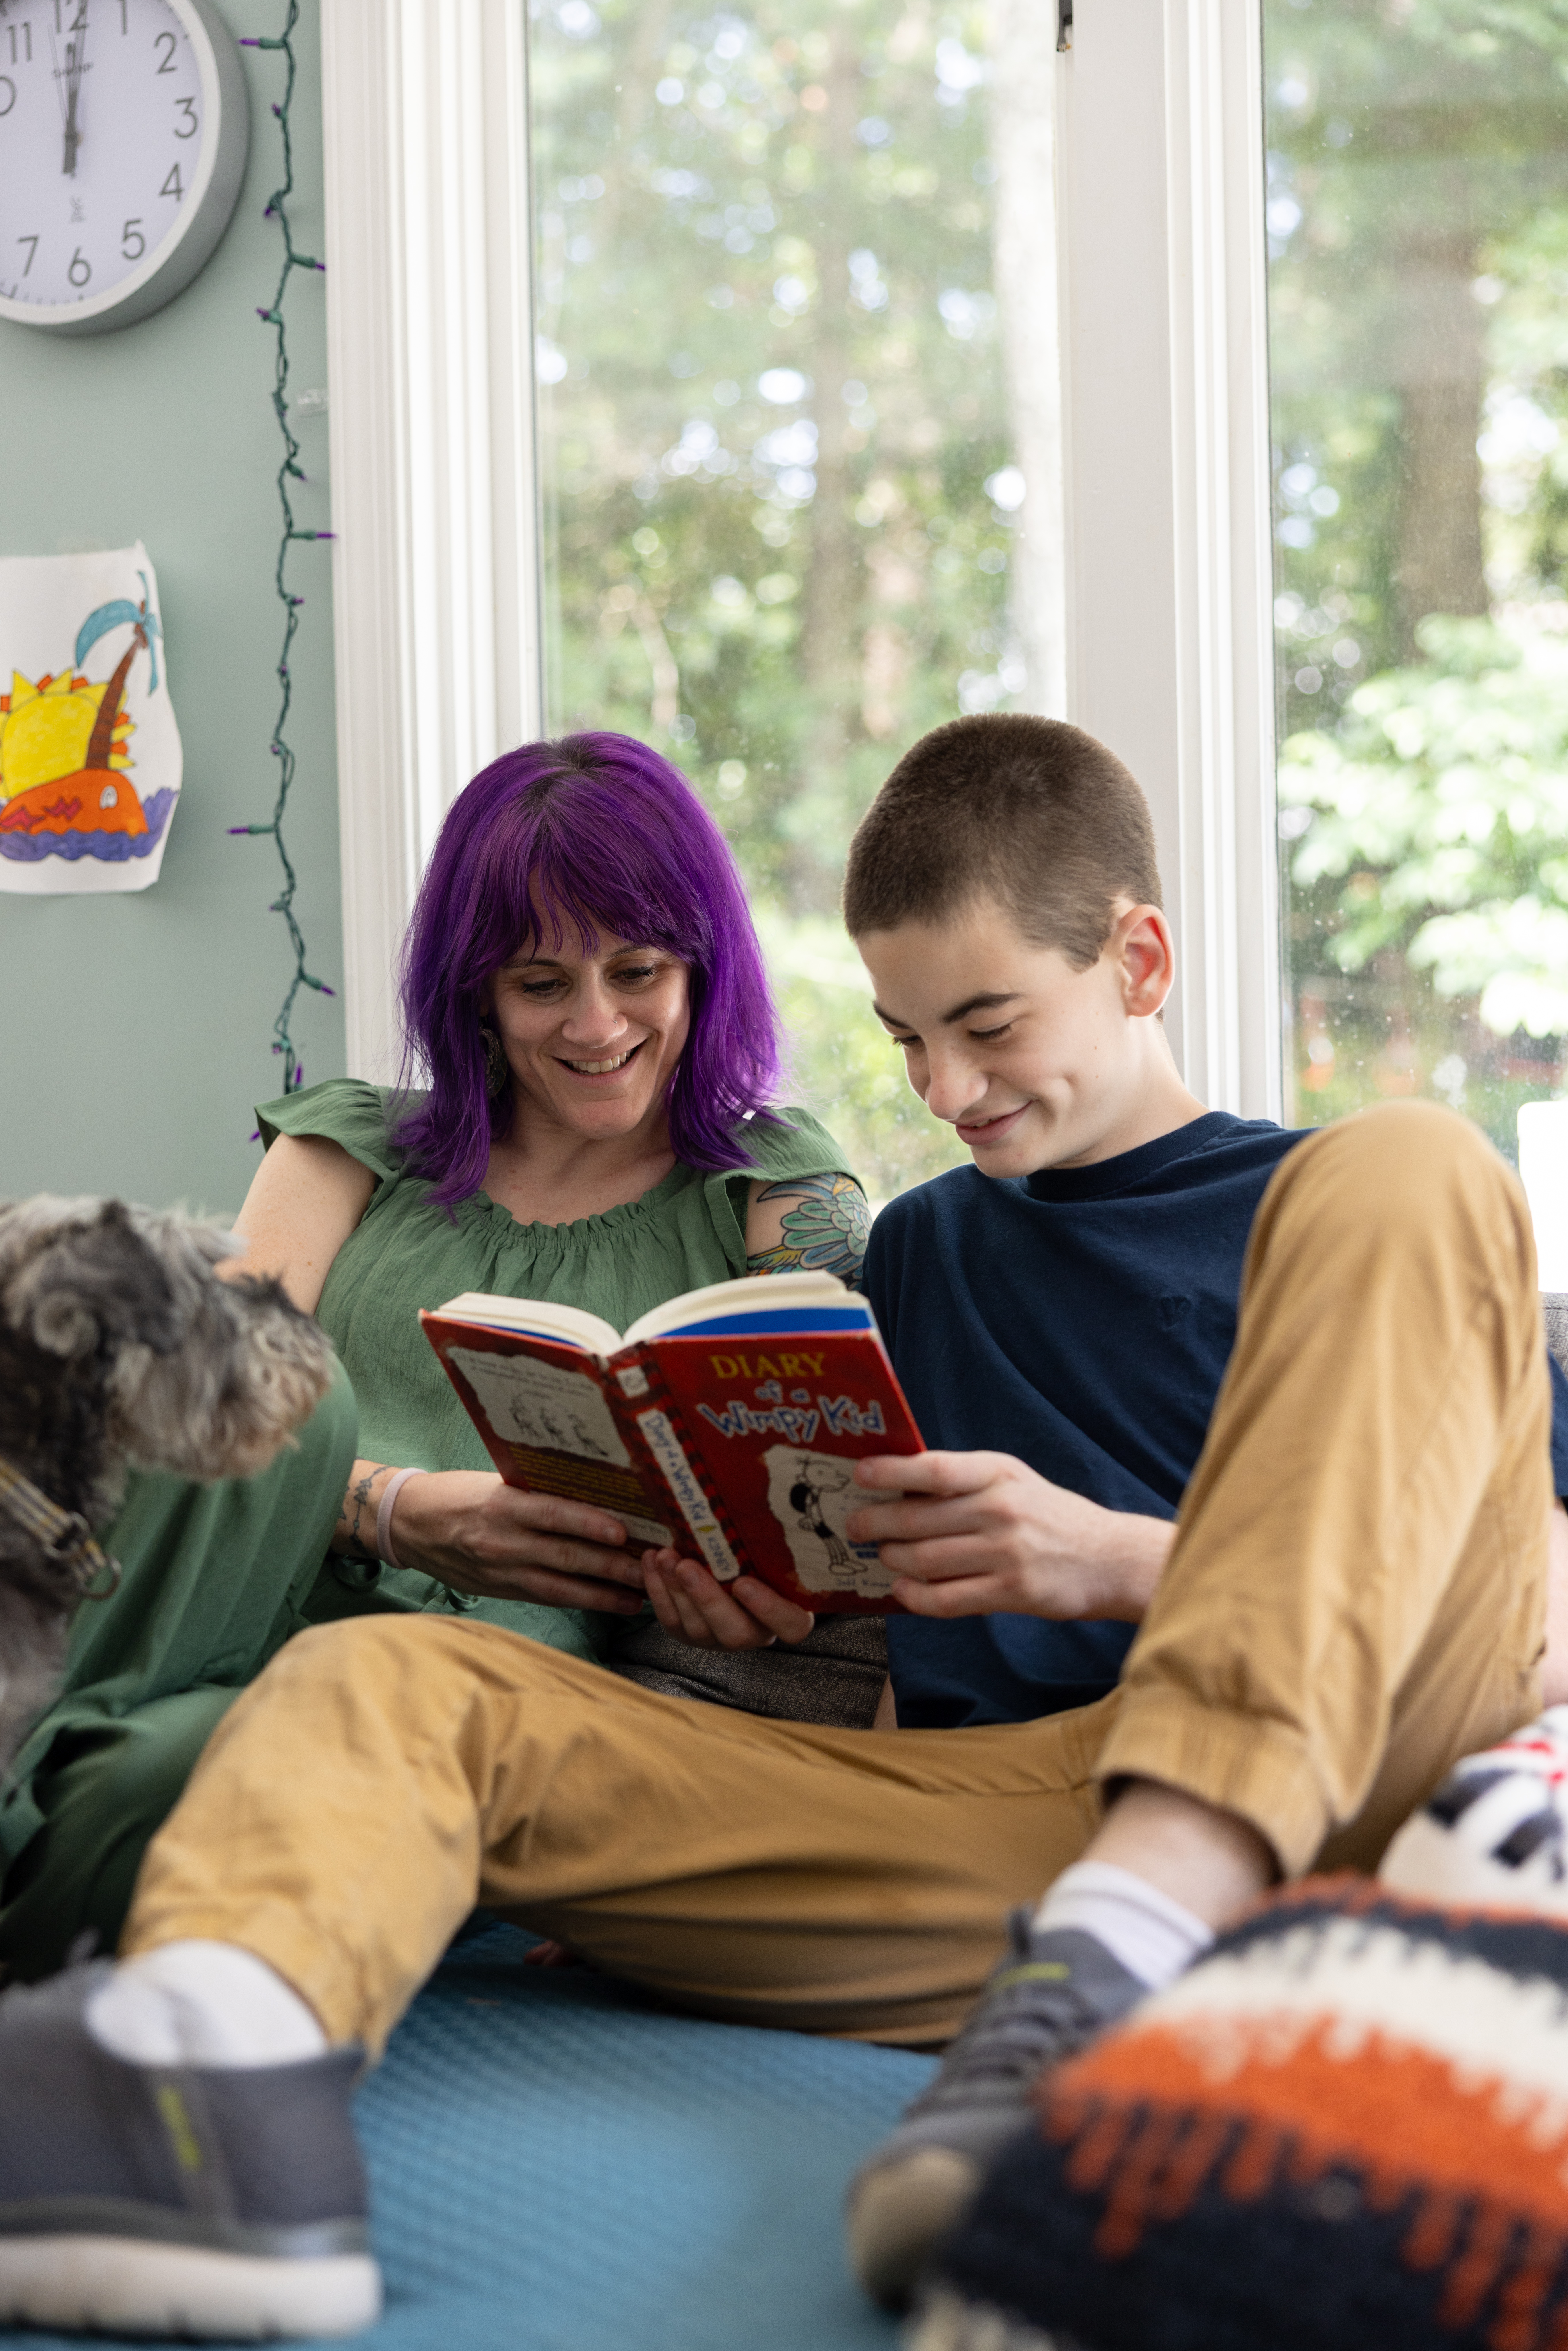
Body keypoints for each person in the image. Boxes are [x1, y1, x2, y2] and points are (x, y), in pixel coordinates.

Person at [2, 715, 1565, 2343]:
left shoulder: (1334, 1209)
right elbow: (872, 1649)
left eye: (986, 1026)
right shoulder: (912, 1255)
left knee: (1415, 1153)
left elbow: (1533, 1626)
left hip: (1351, 1778)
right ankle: (204, 2100)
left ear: (1140, 958)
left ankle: (1129, 1933)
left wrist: (1104, 1560)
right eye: (902, 1041)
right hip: (1006, 1843)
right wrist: (750, 1609)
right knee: (391, 1686)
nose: (945, 1090)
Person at [0, 732, 875, 1987]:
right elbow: (188, 1447)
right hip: (208, 1611)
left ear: (703, 965)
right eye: (538, 983)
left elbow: (831, 1530)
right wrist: (395, 1512)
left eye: (638, 970)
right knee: (245, 1379)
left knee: (168, 1780)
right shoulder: (347, 1146)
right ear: (475, 990)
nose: (596, 1023)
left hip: (454, 1713)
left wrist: (738, 1598)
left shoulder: (775, 1197)